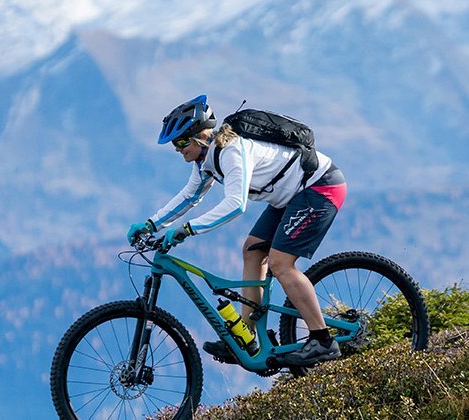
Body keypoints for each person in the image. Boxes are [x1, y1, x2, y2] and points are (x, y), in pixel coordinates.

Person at [125, 95, 349, 367]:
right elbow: (189, 197)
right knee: (252, 251)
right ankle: (247, 335)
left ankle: (322, 340)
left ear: (200, 137)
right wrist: (152, 224)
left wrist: (187, 229)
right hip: (288, 196)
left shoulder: (230, 151)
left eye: (181, 142)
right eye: (175, 145)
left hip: (319, 188)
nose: (177, 149)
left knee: (280, 263)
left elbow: (235, 204)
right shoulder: (205, 161)